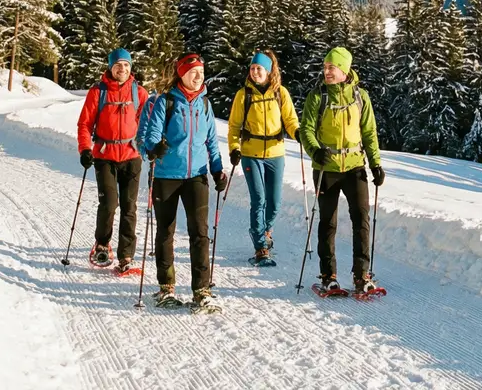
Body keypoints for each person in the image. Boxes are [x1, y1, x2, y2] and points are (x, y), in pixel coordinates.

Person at [137, 52, 228, 311]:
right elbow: (151, 136)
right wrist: (154, 150)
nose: (198, 75)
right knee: (165, 232)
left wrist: (218, 170)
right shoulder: (165, 102)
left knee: (200, 233)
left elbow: (211, 141)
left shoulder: (206, 105)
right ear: (181, 73)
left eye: (201, 71)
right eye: (193, 71)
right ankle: (166, 287)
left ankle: (201, 290)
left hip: (197, 176)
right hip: (167, 176)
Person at [298, 46, 385, 295]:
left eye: (331, 67)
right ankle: (329, 276)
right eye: (325, 67)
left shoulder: (361, 97)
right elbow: (306, 130)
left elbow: (369, 132)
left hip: (355, 167)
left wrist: (376, 163)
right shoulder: (318, 96)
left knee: (361, 219)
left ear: (344, 70)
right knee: (328, 222)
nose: (326, 71)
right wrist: (315, 151)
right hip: (326, 168)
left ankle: (362, 275)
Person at [75, 48, 149, 272]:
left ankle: (126, 256)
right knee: (108, 203)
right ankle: (102, 244)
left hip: (131, 155)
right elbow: (85, 124)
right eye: (118, 65)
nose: (122, 69)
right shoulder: (98, 92)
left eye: (126, 65)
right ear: (110, 67)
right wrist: (85, 149)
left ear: (130, 67)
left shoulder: (139, 93)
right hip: (104, 155)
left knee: (129, 207)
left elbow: (148, 124)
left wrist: (152, 147)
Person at [226, 50, 301, 266]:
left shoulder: (280, 93)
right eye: (252, 68)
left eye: (259, 68)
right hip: (251, 154)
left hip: (276, 153)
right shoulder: (244, 95)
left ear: (268, 72)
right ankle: (260, 247)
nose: (255, 71)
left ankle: (265, 230)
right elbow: (234, 127)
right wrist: (234, 148)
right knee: (258, 199)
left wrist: (297, 133)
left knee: (274, 202)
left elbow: (290, 120)